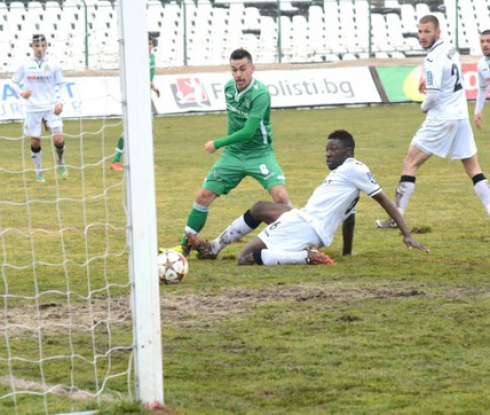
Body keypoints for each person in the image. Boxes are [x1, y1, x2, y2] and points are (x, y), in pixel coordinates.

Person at [186, 129, 429, 266]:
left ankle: (306, 256)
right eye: (326, 150)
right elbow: (350, 217)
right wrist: (346, 253)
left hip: (305, 226)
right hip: (304, 218)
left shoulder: (355, 168)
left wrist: (406, 234)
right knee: (260, 208)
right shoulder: (344, 178)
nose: (328, 154)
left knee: (245, 258)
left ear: (348, 152)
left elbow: (384, 200)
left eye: (333, 150)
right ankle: (215, 246)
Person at [171, 48, 289, 256]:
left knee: (280, 196)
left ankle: (296, 238)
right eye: (233, 70)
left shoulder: (260, 94)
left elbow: (249, 131)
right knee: (204, 195)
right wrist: (227, 146)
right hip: (233, 155)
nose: (238, 75)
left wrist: (217, 143)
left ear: (253, 69)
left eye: (243, 69)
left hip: (259, 153)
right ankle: (184, 248)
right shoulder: (228, 88)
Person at [376, 15, 490, 229]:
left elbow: (433, 95)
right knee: (474, 169)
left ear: (437, 32)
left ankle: (396, 219)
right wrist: (424, 77)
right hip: (460, 116)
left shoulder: (432, 60)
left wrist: (423, 107)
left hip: (441, 118)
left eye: (427, 31)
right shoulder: (450, 48)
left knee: (410, 163)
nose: (423, 36)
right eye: (420, 32)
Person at [12, 34, 66, 183]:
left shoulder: (54, 64)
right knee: (36, 141)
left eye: (42, 45)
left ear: (46, 46)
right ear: (32, 46)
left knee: (59, 139)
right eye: (37, 46)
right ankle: (38, 171)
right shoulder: (24, 65)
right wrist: (22, 92)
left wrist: (60, 102)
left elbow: (61, 84)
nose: (39, 49)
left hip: (50, 106)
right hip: (32, 108)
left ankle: (60, 162)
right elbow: (13, 82)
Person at [109, 34, 160, 171]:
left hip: (145, 97)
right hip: (135, 98)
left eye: (149, 44)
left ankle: (145, 162)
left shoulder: (152, 58)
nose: (148, 46)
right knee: (129, 130)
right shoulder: (136, 60)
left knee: (148, 130)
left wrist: (153, 87)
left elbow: (147, 79)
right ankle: (116, 161)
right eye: (145, 44)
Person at [474, 30, 490, 130]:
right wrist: (477, 112)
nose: (485, 44)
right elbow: (483, 89)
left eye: (488, 41)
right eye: (482, 41)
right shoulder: (481, 65)